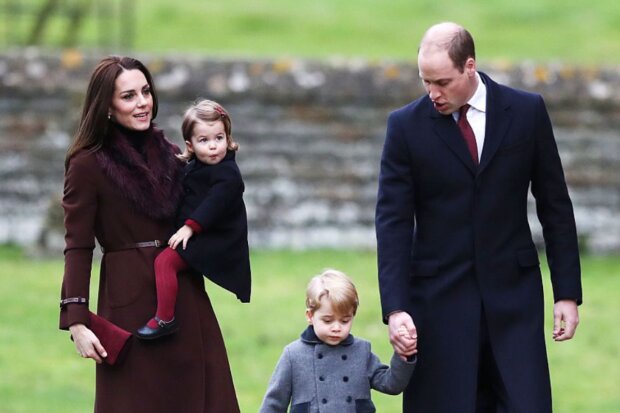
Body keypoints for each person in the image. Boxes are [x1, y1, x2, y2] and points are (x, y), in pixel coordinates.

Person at [375, 22, 582, 412]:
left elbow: (554, 205)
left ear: (470, 66)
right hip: (437, 306)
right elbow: (393, 222)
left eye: (442, 82)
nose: (433, 93)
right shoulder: (404, 127)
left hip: (514, 301)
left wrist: (567, 293)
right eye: (425, 82)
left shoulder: (526, 112)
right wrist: (396, 307)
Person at [59, 56, 241, 412]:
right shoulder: (87, 164)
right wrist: (77, 322)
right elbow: (77, 245)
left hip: (182, 296)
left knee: (202, 398)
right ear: (107, 106)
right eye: (128, 96)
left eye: (145, 92)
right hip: (128, 303)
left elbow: (217, 197)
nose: (142, 102)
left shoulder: (173, 153)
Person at [136, 99, 251, 340]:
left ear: (228, 138)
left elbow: (213, 204)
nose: (213, 147)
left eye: (219, 138)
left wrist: (189, 228)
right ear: (190, 145)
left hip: (216, 239)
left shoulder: (228, 174)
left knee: (165, 262)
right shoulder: (194, 166)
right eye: (204, 140)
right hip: (200, 234)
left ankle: (165, 319)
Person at [259, 269, 416, 413]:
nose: (336, 327)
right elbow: (273, 403)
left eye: (345, 320)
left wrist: (402, 354)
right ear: (310, 316)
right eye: (327, 321)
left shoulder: (362, 351)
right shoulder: (293, 355)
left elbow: (391, 384)